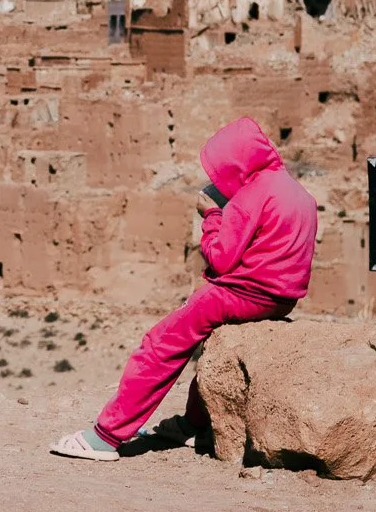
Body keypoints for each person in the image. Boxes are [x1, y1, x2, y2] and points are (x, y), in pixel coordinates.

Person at [51, 117, 316, 461]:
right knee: (207, 353)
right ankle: (193, 426)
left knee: (161, 344)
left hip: (242, 294)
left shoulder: (253, 194)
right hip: (281, 301)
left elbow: (220, 259)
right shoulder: (298, 192)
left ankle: (107, 436)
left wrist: (211, 216)